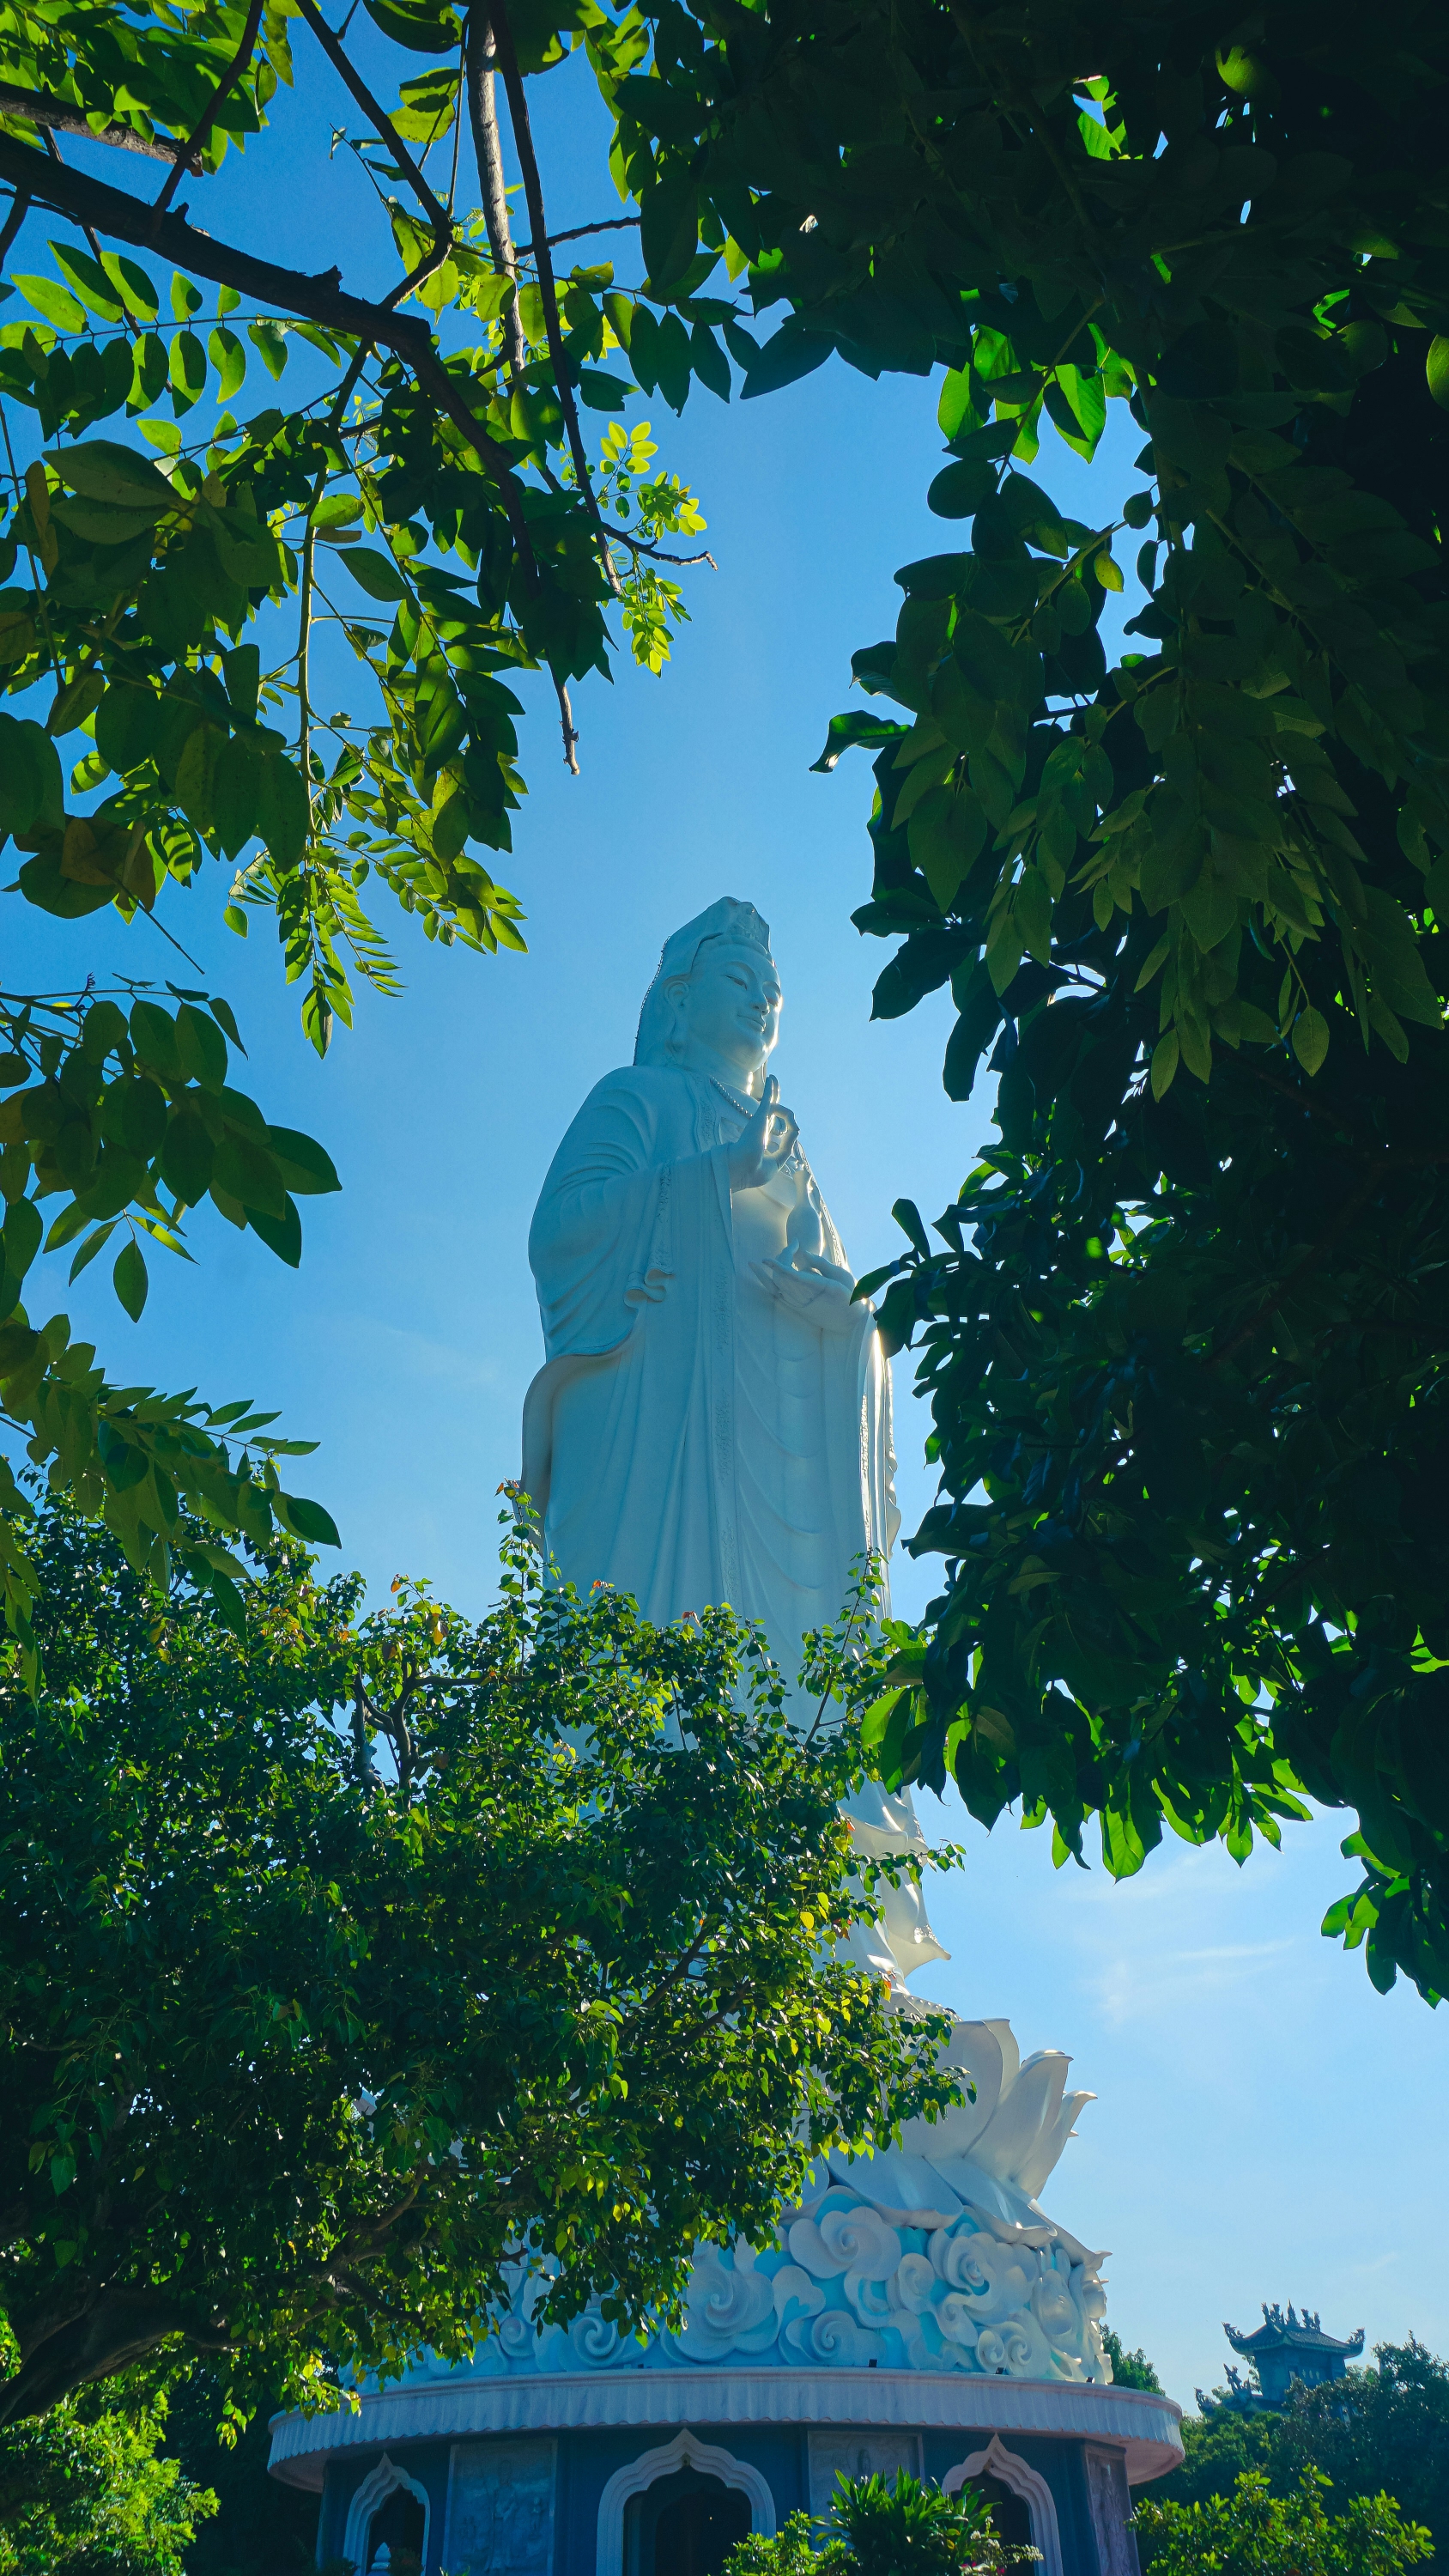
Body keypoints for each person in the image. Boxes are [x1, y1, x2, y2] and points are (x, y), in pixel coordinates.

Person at [524, 897, 943, 1988]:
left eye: (771, 977)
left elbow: (847, 1309)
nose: (762, 990)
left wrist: (842, 1322)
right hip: (659, 1442)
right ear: (675, 999)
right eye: (735, 969)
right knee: (637, 1692)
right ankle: (622, 1911)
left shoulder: (793, 1157)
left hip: (782, 1468)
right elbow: (561, 1232)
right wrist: (713, 1182)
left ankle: (814, 1946)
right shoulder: (639, 1102)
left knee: (790, 1686)